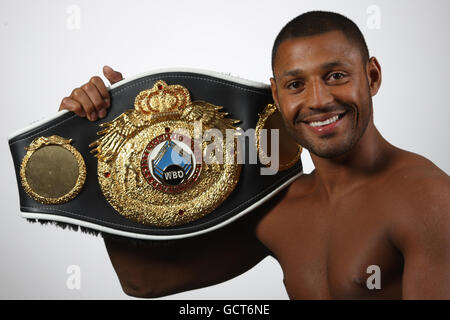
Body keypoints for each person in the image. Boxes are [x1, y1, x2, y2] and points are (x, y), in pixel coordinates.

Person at [59, 11, 450, 299]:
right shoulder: (284, 204)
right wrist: (106, 143)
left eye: (336, 75)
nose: (318, 100)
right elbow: (143, 281)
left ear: (373, 77)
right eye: (296, 84)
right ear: (277, 97)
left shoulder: (428, 200)